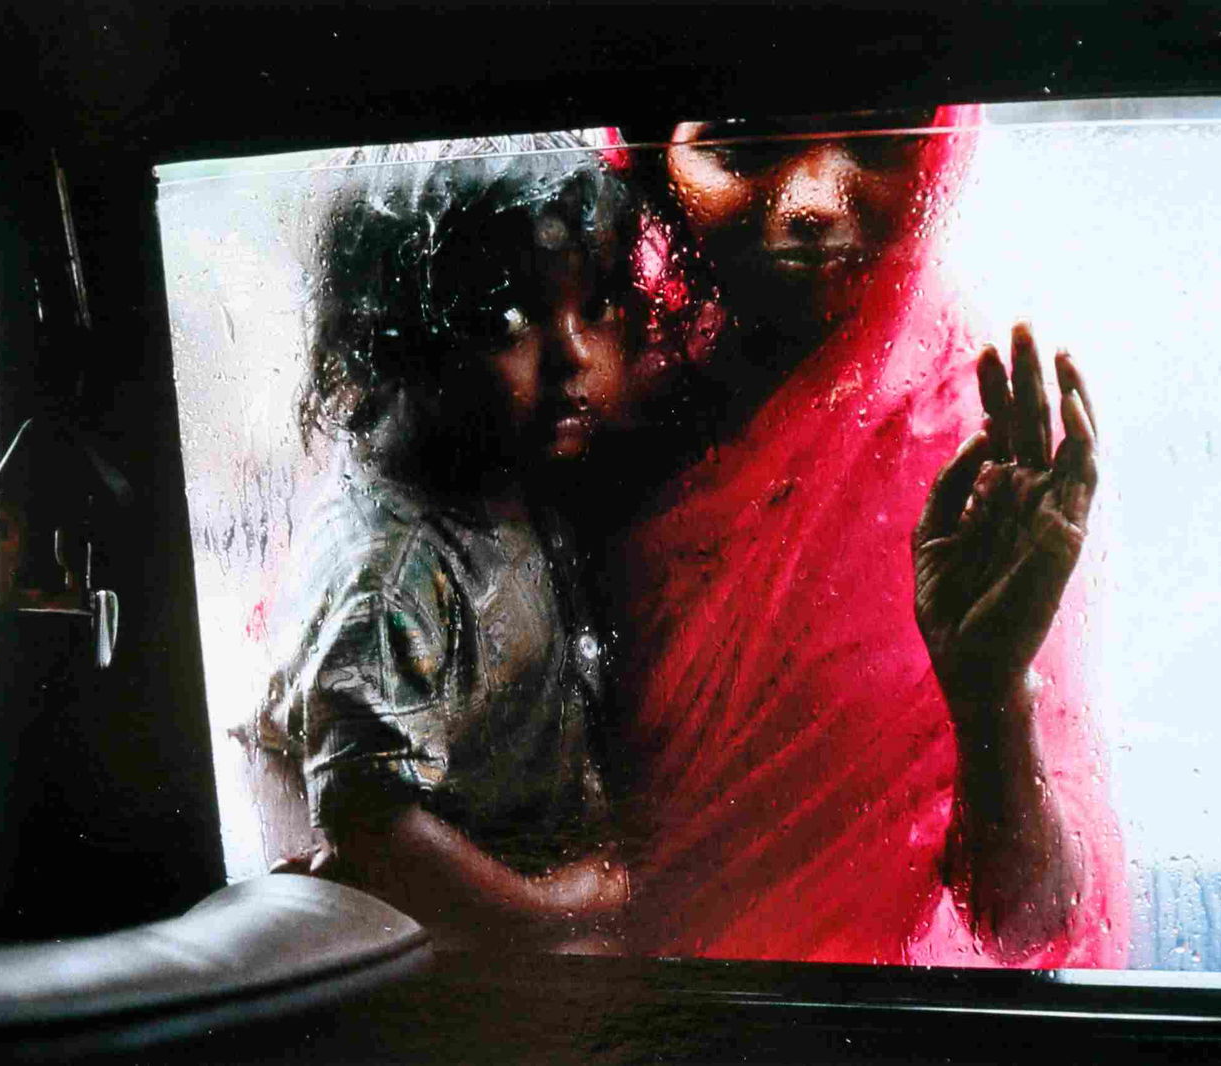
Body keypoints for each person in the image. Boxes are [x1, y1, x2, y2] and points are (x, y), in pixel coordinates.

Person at [598, 107, 1128, 965]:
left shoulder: (975, 450)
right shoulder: (578, 376)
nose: (813, 199)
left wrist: (991, 694)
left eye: (879, 143)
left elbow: (1030, 924)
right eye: (739, 144)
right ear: (650, 158)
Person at [240, 136, 638, 951]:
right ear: (392, 344)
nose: (574, 355)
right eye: (506, 321)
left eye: (593, 306)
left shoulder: (505, 469)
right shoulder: (393, 572)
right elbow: (371, 829)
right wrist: (560, 904)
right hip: (464, 963)